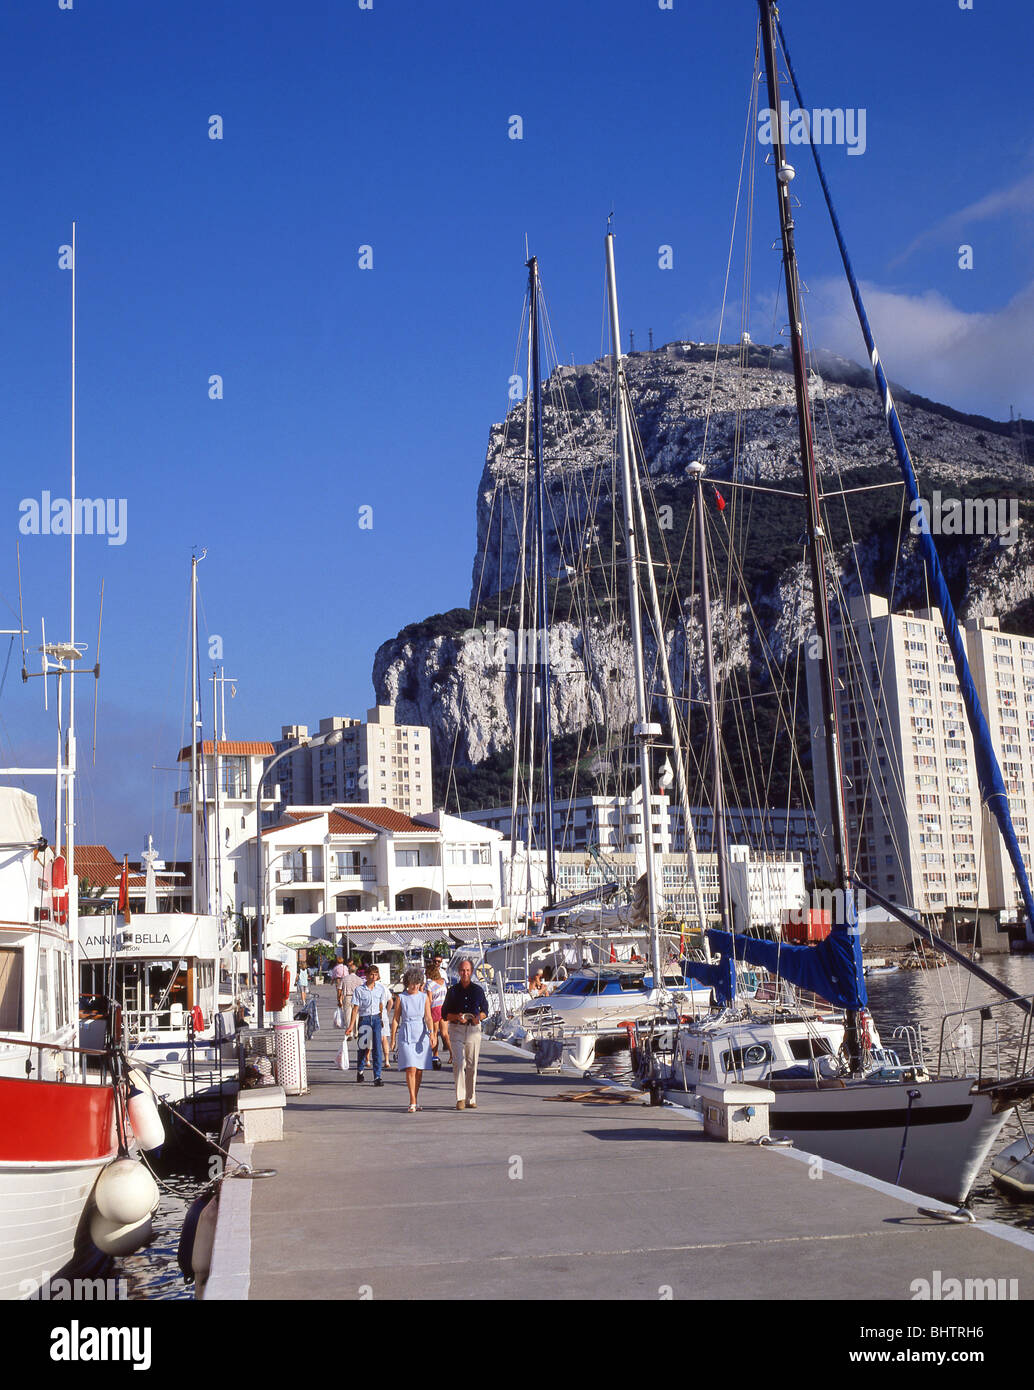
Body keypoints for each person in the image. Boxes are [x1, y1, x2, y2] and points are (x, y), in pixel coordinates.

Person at [442, 957, 489, 1111]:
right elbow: (445, 1014)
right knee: (458, 1063)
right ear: (458, 972)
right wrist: (457, 1017)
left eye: (468, 970)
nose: (465, 973)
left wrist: (478, 1018)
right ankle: (460, 1098)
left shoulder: (478, 990)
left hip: (473, 1030)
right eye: (462, 970)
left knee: (472, 1065)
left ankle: (471, 1097)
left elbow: (485, 1011)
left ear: (472, 972)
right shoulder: (452, 991)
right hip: (456, 1029)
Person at [390, 968, 436, 1112]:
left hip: (421, 1033)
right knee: (411, 1067)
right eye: (412, 983)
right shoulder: (401, 998)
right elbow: (396, 1019)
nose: (414, 986)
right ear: (407, 983)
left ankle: (415, 1099)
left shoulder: (424, 997)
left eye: (417, 983)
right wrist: (393, 1039)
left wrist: (432, 1034)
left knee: (419, 1070)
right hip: (406, 1033)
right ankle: (412, 1101)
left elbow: (428, 1017)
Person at [347, 966, 391, 1086]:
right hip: (364, 1019)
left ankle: (377, 1076)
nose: (373, 977)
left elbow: (381, 1005)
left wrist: (382, 1018)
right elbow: (355, 1009)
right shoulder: (359, 990)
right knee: (363, 1047)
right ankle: (360, 1070)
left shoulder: (380, 989)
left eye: (375, 975)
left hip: (376, 1019)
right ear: (366, 975)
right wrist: (351, 1026)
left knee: (377, 1047)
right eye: (371, 974)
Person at [425, 959, 449, 1069]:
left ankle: (435, 1056)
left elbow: (429, 1000)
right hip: (444, 1008)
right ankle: (453, 1054)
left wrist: (426, 1012)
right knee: (445, 1034)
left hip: (434, 1009)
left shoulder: (429, 984)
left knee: (434, 1034)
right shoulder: (443, 981)